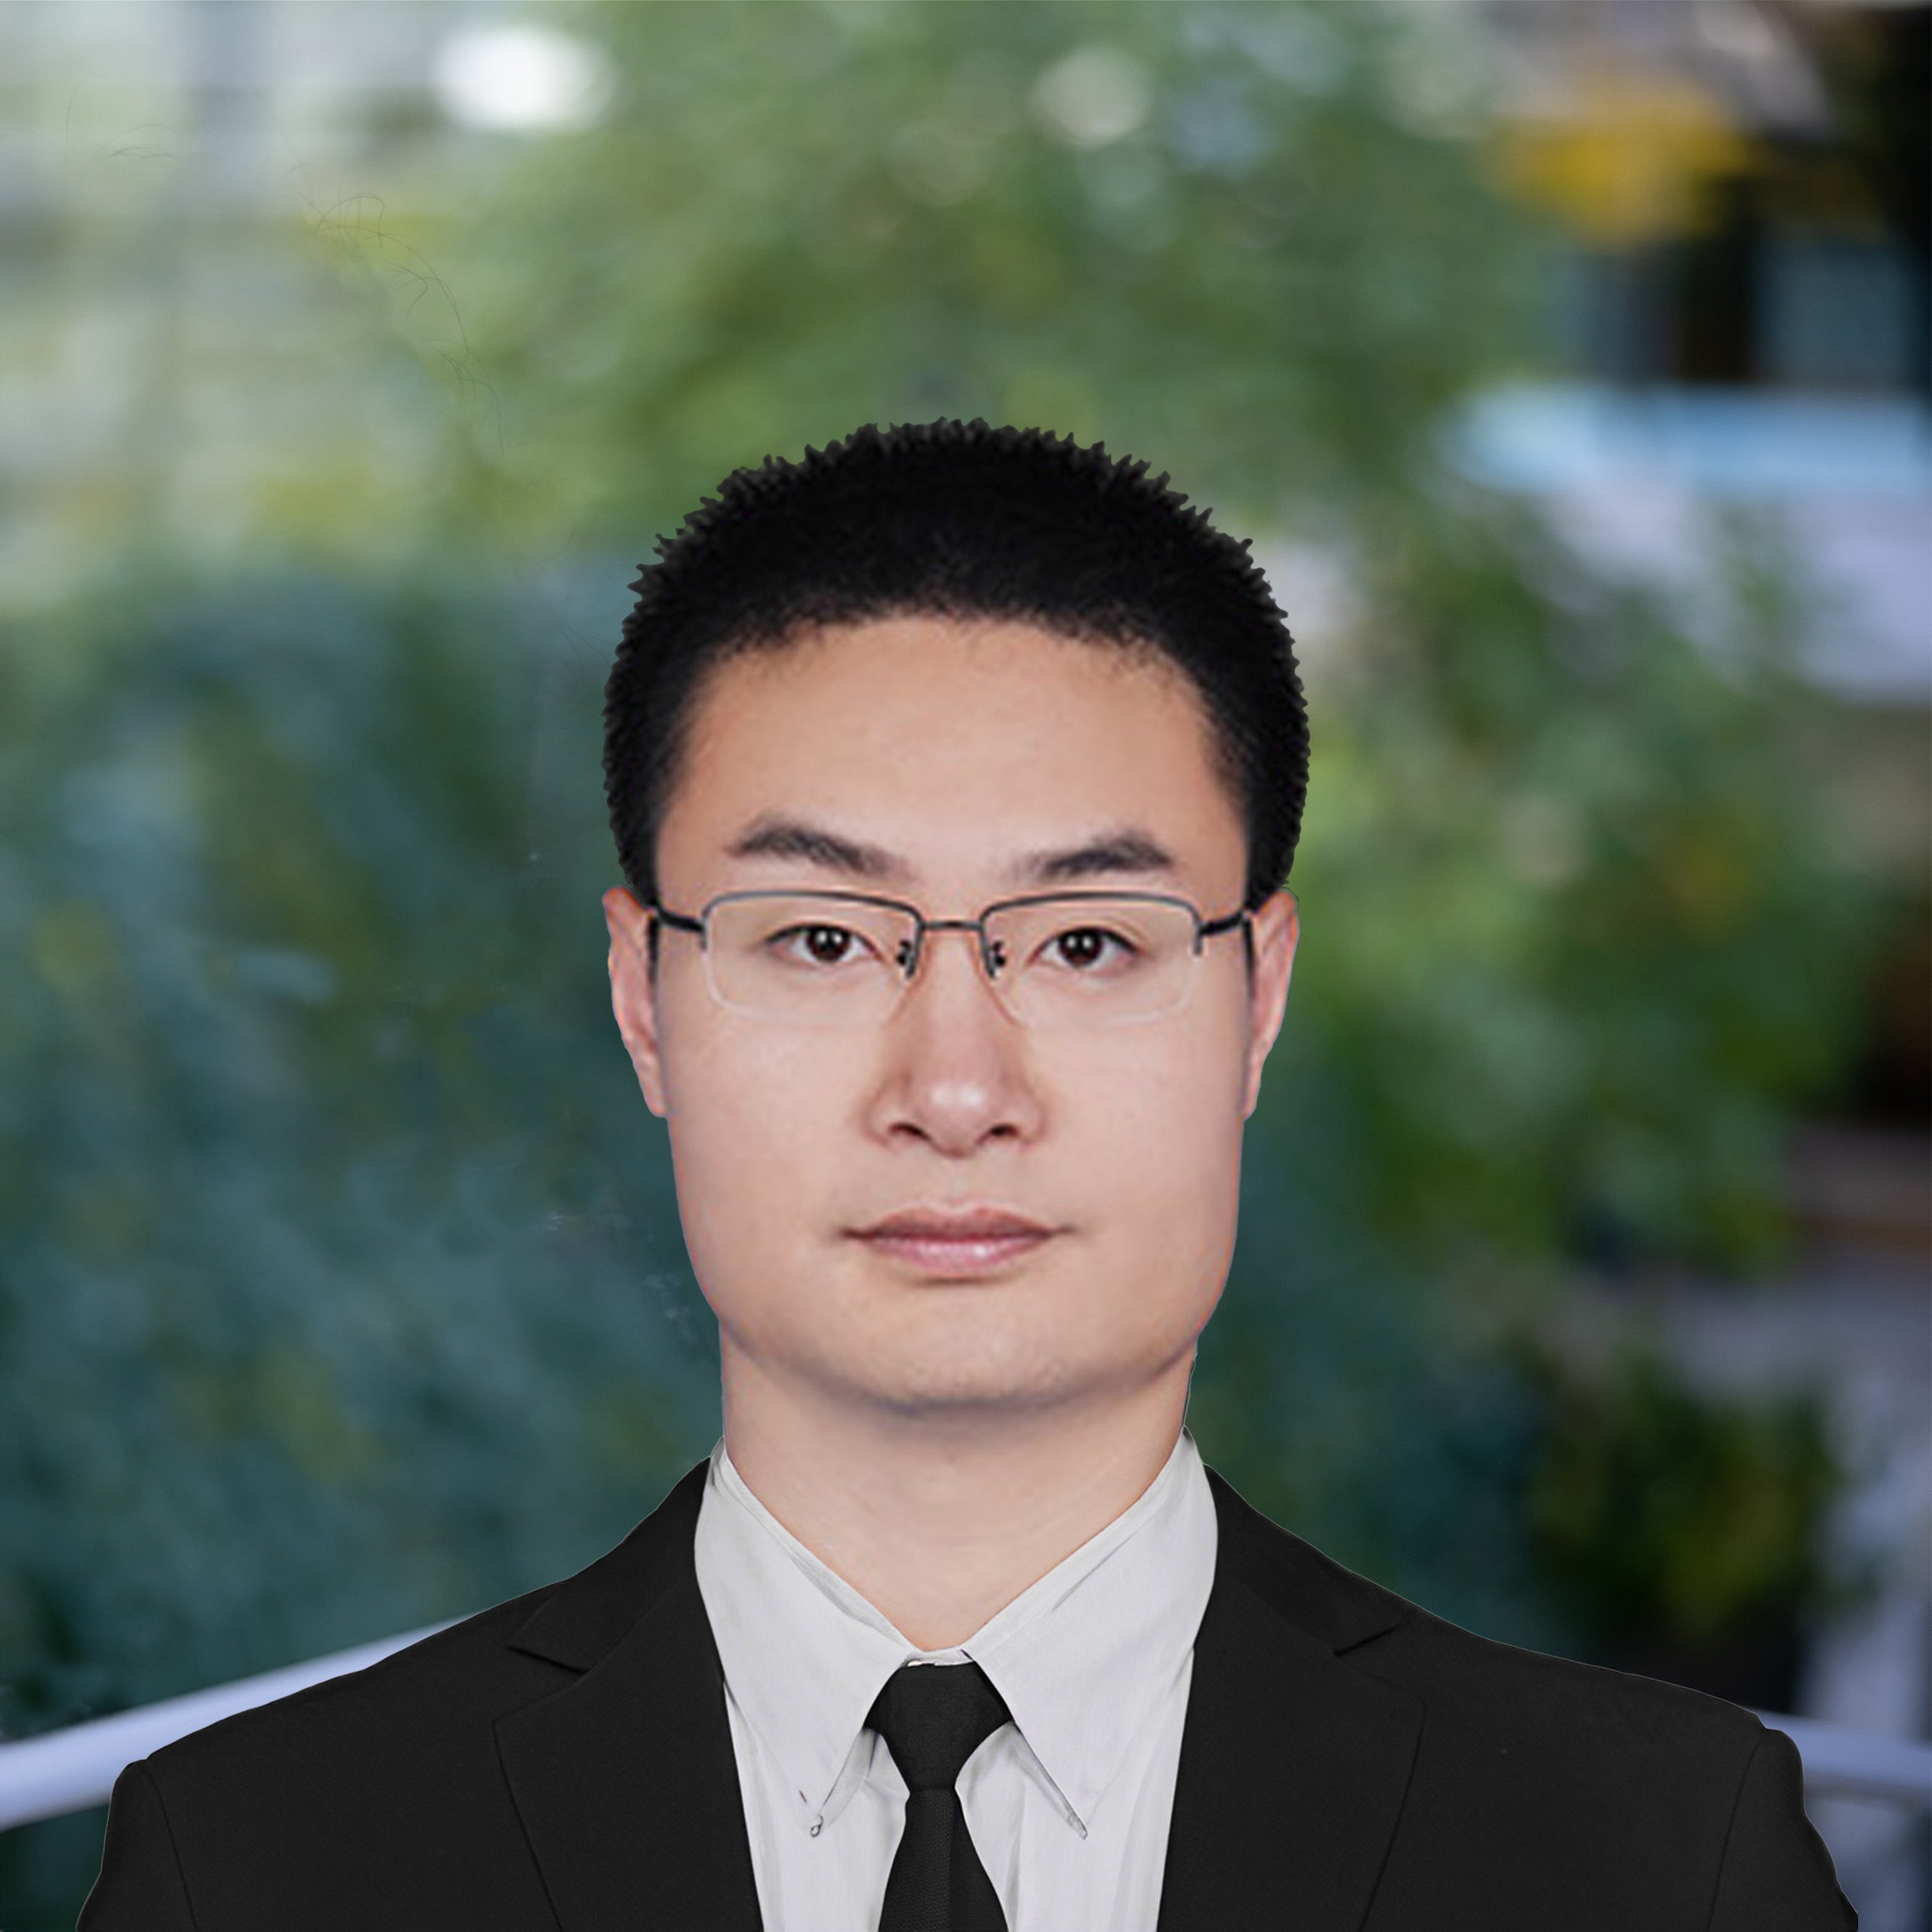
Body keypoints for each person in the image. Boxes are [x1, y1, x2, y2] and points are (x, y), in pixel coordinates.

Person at [80, 420, 1853, 1930]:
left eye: (1084, 940)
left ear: (1257, 997)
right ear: (642, 1001)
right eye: (823, 938)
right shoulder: (259, 1863)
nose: (952, 1085)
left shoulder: (1654, 1861)